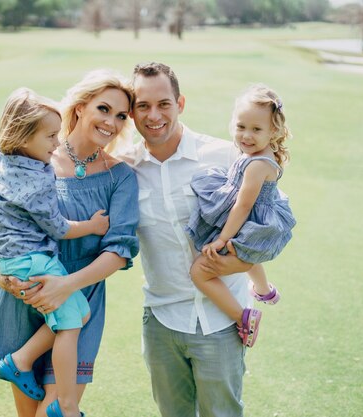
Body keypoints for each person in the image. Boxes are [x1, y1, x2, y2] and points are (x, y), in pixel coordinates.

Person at [0, 69, 139, 417]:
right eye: (104, 108)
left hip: (81, 296)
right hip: (26, 297)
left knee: (55, 411)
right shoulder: (34, 157)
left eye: (122, 115)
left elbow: (119, 251)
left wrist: (65, 286)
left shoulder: (121, 176)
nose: (112, 122)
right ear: (81, 107)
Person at [119, 61, 253, 417]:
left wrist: (233, 272)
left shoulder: (225, 156)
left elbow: (267, 233)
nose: (154, 115)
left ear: (180, 104)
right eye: (142, 106)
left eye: (163, 104)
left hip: (220, 322)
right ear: (131, 113)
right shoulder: (123, 169)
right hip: (161, 322)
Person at [186, 84, 296, 348]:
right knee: (249, 253)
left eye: (256, 130)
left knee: (200, 272)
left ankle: (244, 316)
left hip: (251, 222)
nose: (246, 136)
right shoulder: (253, 154)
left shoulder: (258, 164)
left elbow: (243, 206)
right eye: (241, 127)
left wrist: (222, 239)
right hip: (248, 222)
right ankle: (263, 289)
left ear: (274, 131)